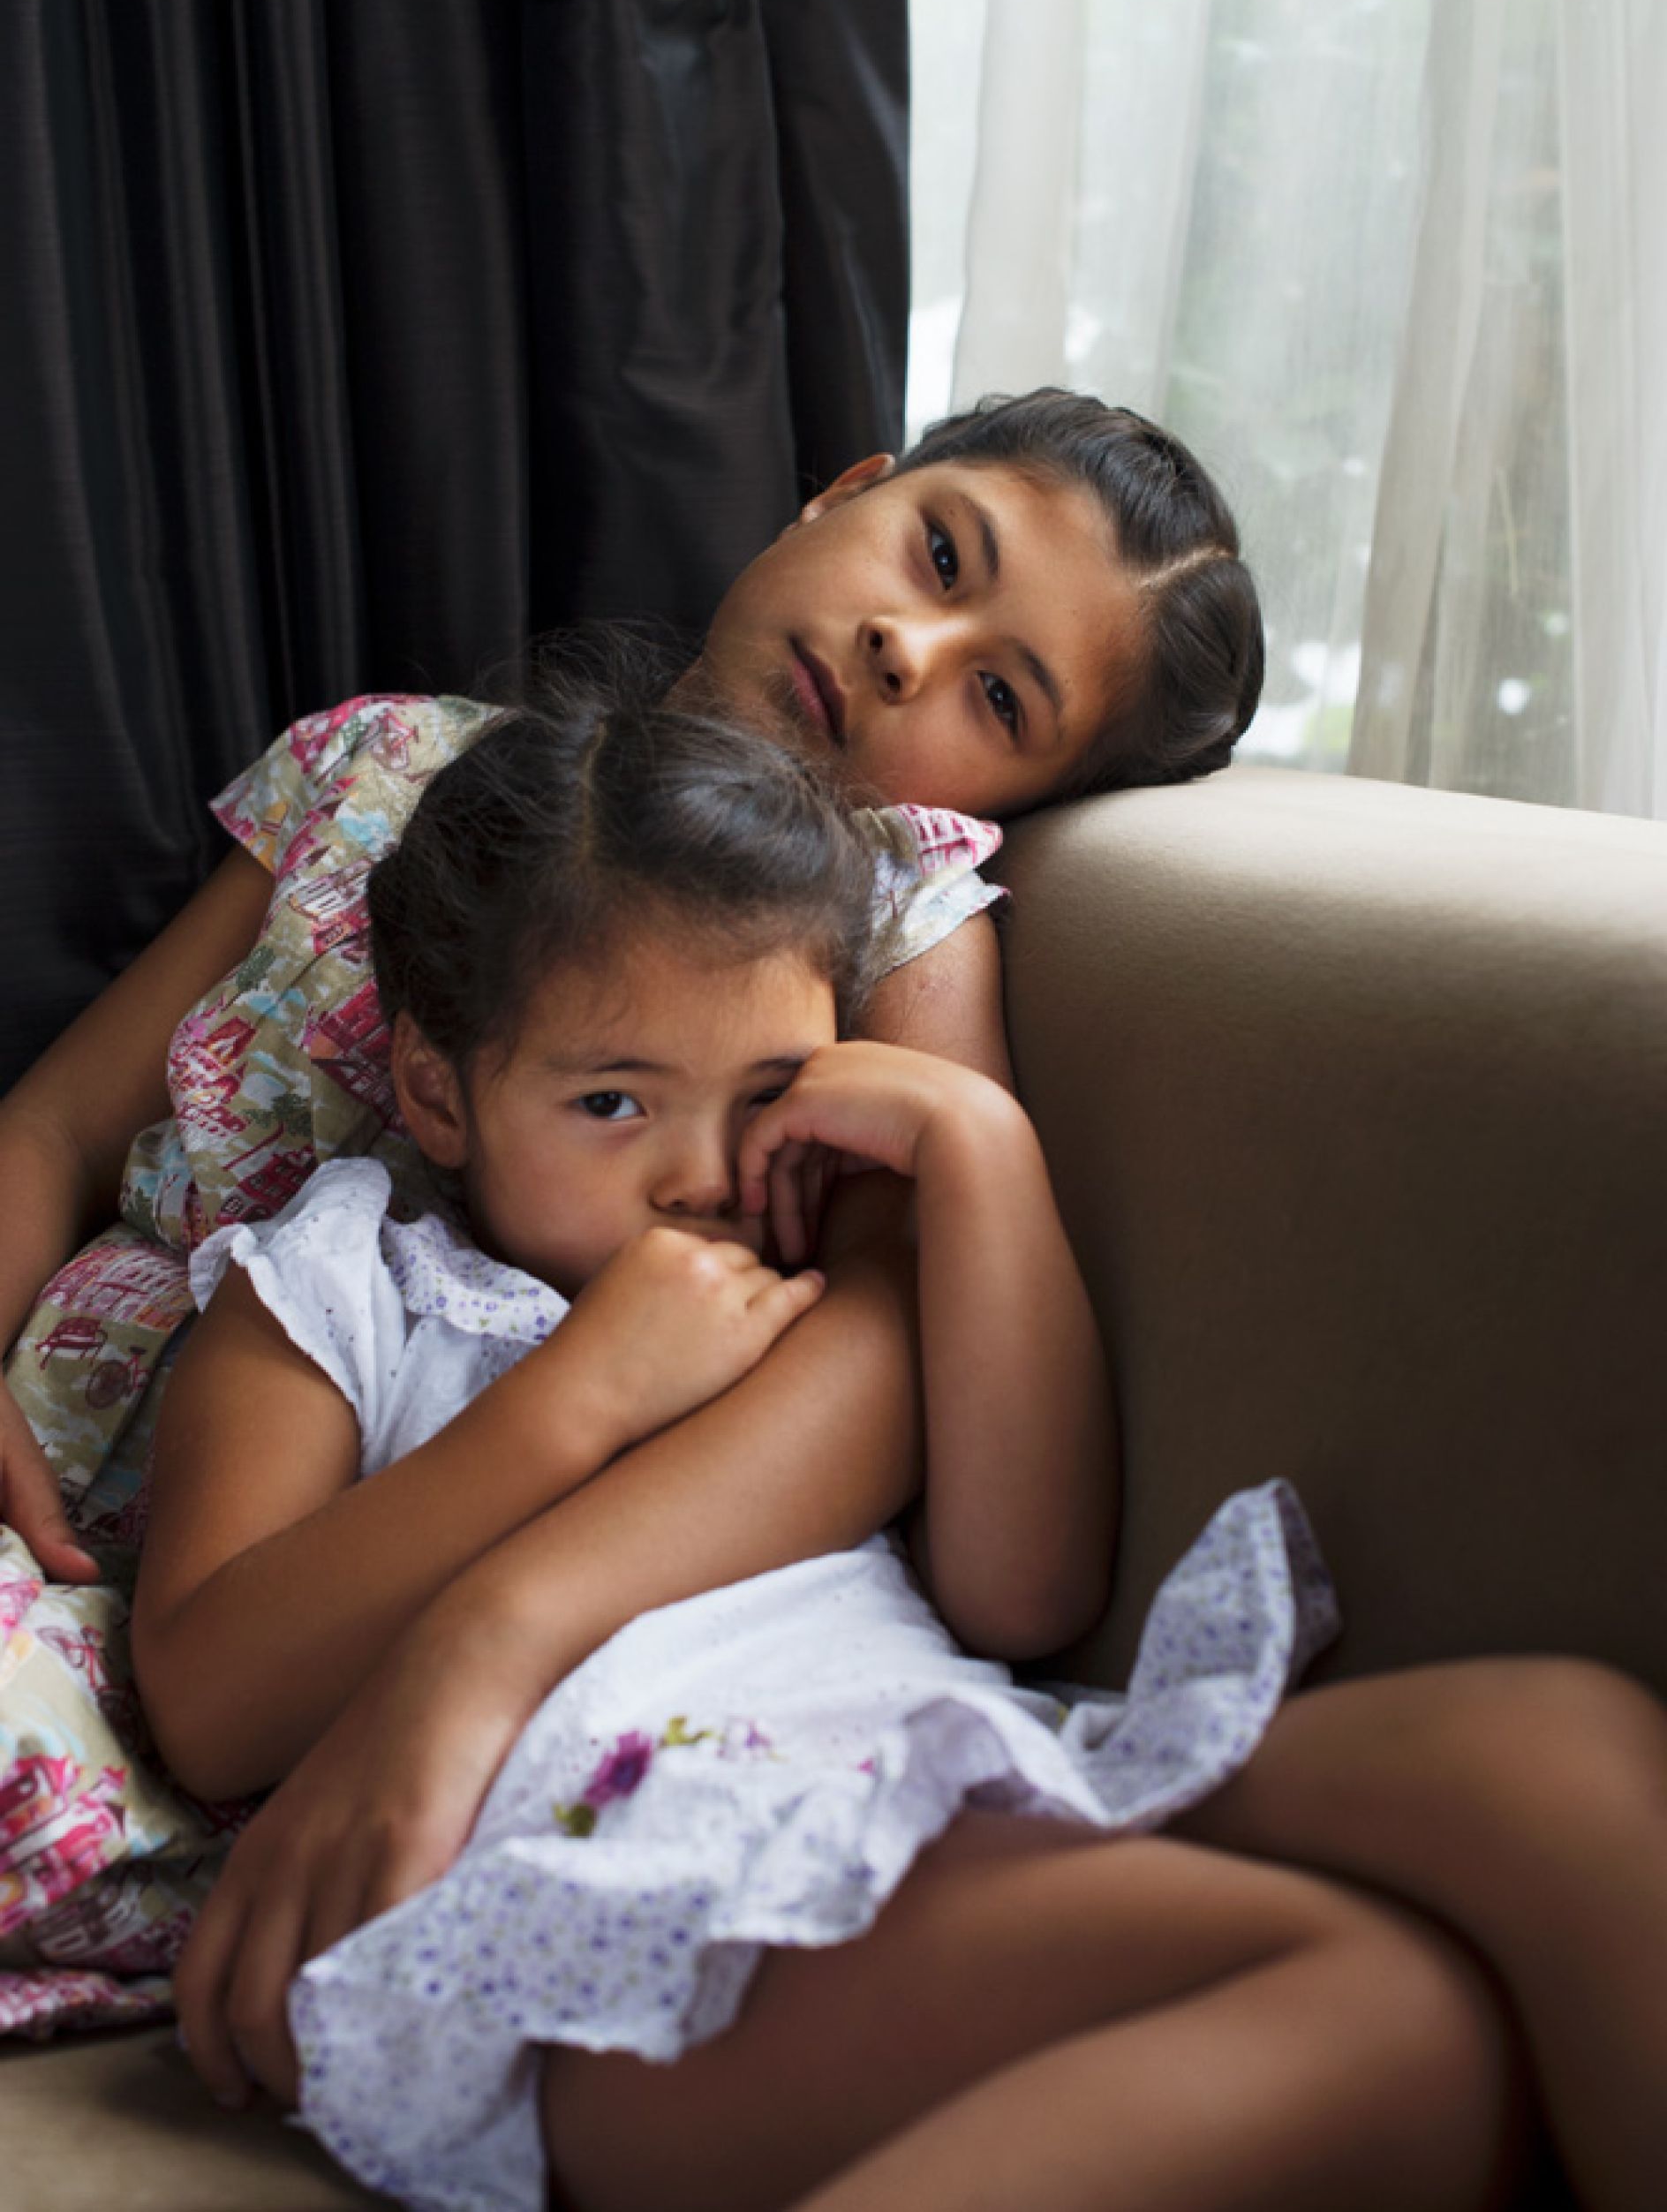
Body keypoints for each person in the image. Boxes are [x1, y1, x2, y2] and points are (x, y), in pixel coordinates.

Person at [132, 677, 1488, 2212]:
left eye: (766, 1092)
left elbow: (1025, 1593)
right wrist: (576, 1398)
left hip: (908, 1769)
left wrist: (978, 1146)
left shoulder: (821, 1289)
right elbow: (210, 1693)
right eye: (611, 1100)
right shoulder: (349, 1286)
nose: (701, 1174)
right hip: (615, 1895)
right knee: (1393, 2020)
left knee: (1560, 1753)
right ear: (439, 1089)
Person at [0, 388, 1259, 1584]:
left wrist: (504, 1625)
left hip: (345, 1572)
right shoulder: (380, 760)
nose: (902, 648)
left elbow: (883, 1352)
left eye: (997, 696)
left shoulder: (891, 917)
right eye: (937, 556)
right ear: (843, 493)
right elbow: (55, 1127)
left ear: (1012, 800)